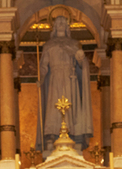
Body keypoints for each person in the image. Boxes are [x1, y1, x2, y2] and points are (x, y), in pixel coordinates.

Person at [36, 14, 93, 149]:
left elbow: (81, 63)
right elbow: (43, 66)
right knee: (53, 107)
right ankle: (52, 135)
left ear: (67, 26)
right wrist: (41, 78)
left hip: (70, 78)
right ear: (54, 26)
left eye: (63, 21)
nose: (61, 23)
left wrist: (81, 59)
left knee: (71, 107)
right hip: (54, 78)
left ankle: (73, 135)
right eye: (58, 21)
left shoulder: (74, 43)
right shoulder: (48, 45)